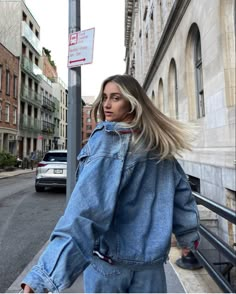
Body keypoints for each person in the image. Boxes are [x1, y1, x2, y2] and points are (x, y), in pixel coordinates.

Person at [22, 74, 200, 293]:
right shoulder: (158, 143)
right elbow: (183, 196)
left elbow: (86, 211)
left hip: (109, 265)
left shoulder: (109, 141)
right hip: (150, 268)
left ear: (132, 102)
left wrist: (45, 275)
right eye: (105, 97)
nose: (106, 104)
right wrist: (188, 239)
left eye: (115, 98)